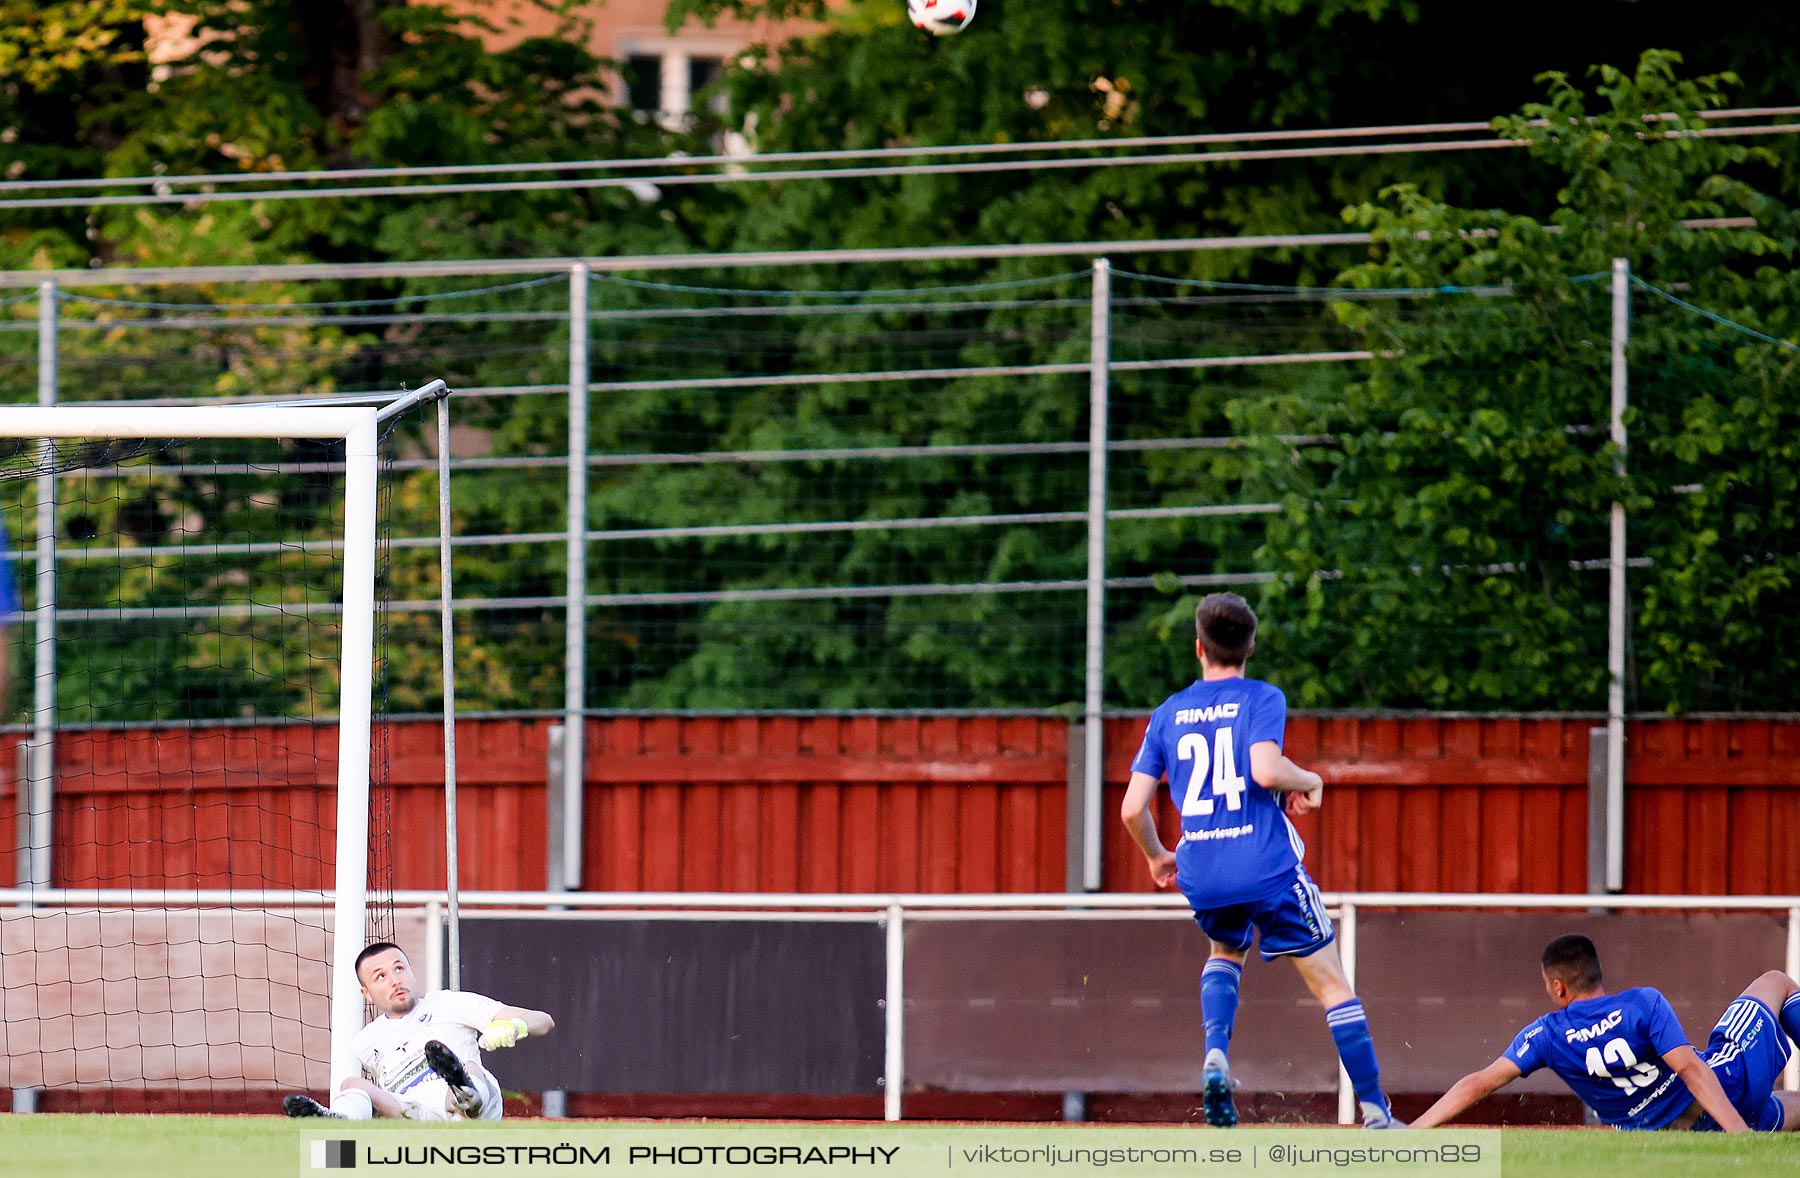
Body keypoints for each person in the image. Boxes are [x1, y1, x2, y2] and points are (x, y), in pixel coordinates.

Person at [1120, 592, 1402, 1130]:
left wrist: (1158, 857)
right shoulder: (1261, 697)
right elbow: (1266, 771)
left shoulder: (1168, 713)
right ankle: (1375, 1113)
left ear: (1197, 648)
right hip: (1266, 867)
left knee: (1225, 952)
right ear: (1251, 646)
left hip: (1201, 870)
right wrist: (1312, 780)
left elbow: (1133, 808)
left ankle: (1215, 1056)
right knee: (1332, 985)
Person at [1413, 934, 1800, 1132]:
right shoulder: (1641, 1004)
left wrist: (1413, 1130)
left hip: (1688, 1131)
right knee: (1777, 981)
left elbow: (1479, 1083)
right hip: (1726, 1094)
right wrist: (1737, 1133)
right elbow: (1689, 1070)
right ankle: (1742, 1124)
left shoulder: (1547, 1035)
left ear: (1558, 987)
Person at [284, 941, 556, 1121]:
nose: (395, 980)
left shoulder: (449, 1002)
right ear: (366, 993)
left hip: (470, 1111)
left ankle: (466, 1094)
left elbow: (543, 1021)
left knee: (470, 1066)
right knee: (351, 1084)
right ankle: (340, 1122)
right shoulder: (366, 1042)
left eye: (399, 968)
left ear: (412, 972)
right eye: (381, 976)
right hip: (418, 1117)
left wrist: (515, 1026)